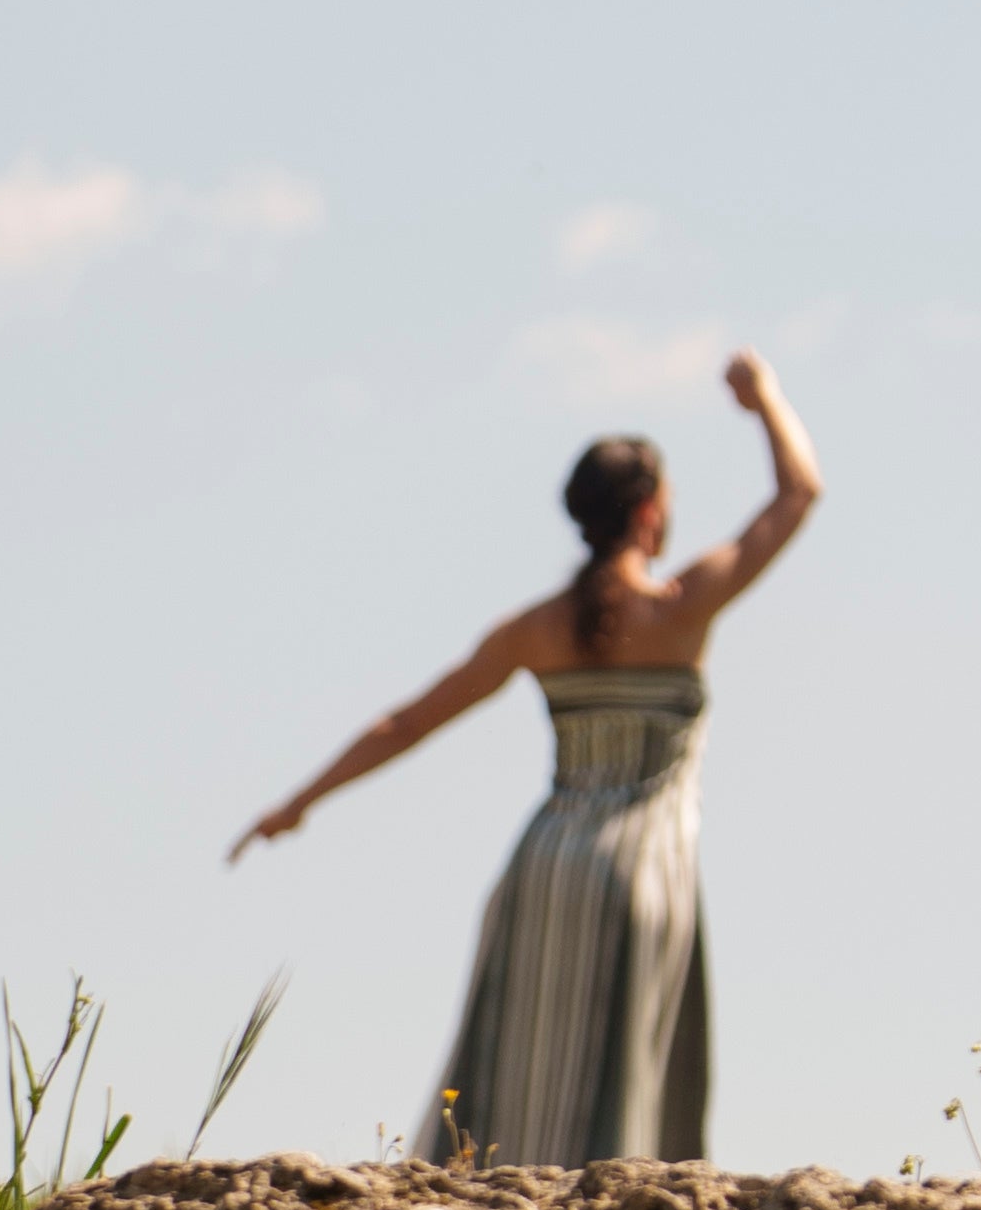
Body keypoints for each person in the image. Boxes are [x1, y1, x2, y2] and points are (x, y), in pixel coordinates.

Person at [236, 352, 820, 1163]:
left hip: (543, 863)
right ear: (650, 511)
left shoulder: (534, 629)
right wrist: (766, 399)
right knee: (624, 1100)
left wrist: (298, 801)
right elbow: (798, 495)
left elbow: (405, 721)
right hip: (642, 866)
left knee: (511, 1091)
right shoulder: (680, 608)